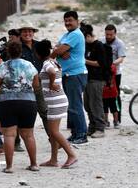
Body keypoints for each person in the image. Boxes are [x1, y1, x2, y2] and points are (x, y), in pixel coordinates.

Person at [0, 41, 40, 173]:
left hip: (7, 103)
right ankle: (34, 164)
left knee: (9, 134)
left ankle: (9, 167)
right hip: (28, 102)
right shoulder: (29, 65)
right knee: (29, 135)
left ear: (8, 52)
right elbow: (36, 85)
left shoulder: (3, 66)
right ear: (21, 52)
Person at [35, 40, 77, 169]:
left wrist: (52, 83)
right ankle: (53, 160)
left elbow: (52, 72)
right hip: (58, 100)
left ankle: (71, 155)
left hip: (55, 101)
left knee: (54, 132)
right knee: (54, 132)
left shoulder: (47, 63)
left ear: (38, 53)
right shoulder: (54, 61)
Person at [50, 11, 88, 144]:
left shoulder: (76, 34)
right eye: (66, 21)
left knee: (75, 105)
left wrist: (60, 51)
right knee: (71, 105)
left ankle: (82, 135)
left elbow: (57, 51)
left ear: (77, 21)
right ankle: (75, 133)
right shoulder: (67, 35)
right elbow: (56, 47)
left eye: (70, 20)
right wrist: (60, 50)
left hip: (75, 75)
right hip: (68, 74)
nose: (67, 23)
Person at [19, 25, 49, 137]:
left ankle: (52, 138)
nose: (27, 34)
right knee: (20, 113)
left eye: (30, 31)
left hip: (39, 84)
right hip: (23, 86)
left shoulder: (39, 45)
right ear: (21, 34)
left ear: (33, 33)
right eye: (25, 31)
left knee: (44, 111)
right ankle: (16, 142)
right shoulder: (17, 47)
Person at [81, 24, 107, 138]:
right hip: (87, 78)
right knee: (87, 105)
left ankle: (100, 128)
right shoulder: (86, 46)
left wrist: (84, 61)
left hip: (97, 79)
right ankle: (92, 127)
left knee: (96, 104)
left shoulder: (99, 46)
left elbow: (99, 63)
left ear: (88, 35)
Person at [102, 24, 126, 123]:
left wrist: (111, 63)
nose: (108, 37)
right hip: (103, 73)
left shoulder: (119, 43)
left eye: (111, 35)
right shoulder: (101, 41)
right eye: (107, 34)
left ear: (115, 34)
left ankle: (117, 119)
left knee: (115, 96)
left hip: (115, 74)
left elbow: (121, 58)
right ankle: (105, 120)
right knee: (104, 96)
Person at [103, 64, 120, 129]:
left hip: (104, 92)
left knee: (105, 108)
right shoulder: (113, 67)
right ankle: (116, 122)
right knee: (114, 107)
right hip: (113, 91)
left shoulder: (102, 67)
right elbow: (115, 73)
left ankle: (106, 122)